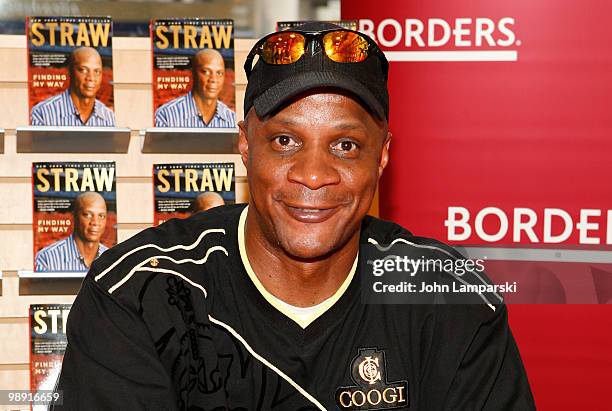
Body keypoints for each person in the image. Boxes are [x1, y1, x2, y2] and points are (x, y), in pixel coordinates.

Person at [53, 23, 535, 409]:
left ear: (382, 157)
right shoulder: (140, 292)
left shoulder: (447, 297)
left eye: (345, 147)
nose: (312, 174)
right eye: (285, 141)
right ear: (244, 143)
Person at [31, 47, 116, 127]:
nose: (91, 78)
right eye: (83, 70)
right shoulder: (42, 113)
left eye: (97, 72)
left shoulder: (109, 117)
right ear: (70, 72)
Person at [154, 48, 237, 128]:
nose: (213, 79)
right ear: (192, 73)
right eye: (206, 72)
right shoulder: (166, 115)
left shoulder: (232, 119)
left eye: (219, 73)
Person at [35, 192, 108, 272]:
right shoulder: (46, 259)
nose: (95, 222)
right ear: (74, 216)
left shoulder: (113, 259)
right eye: (87, 215)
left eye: (101, 216)